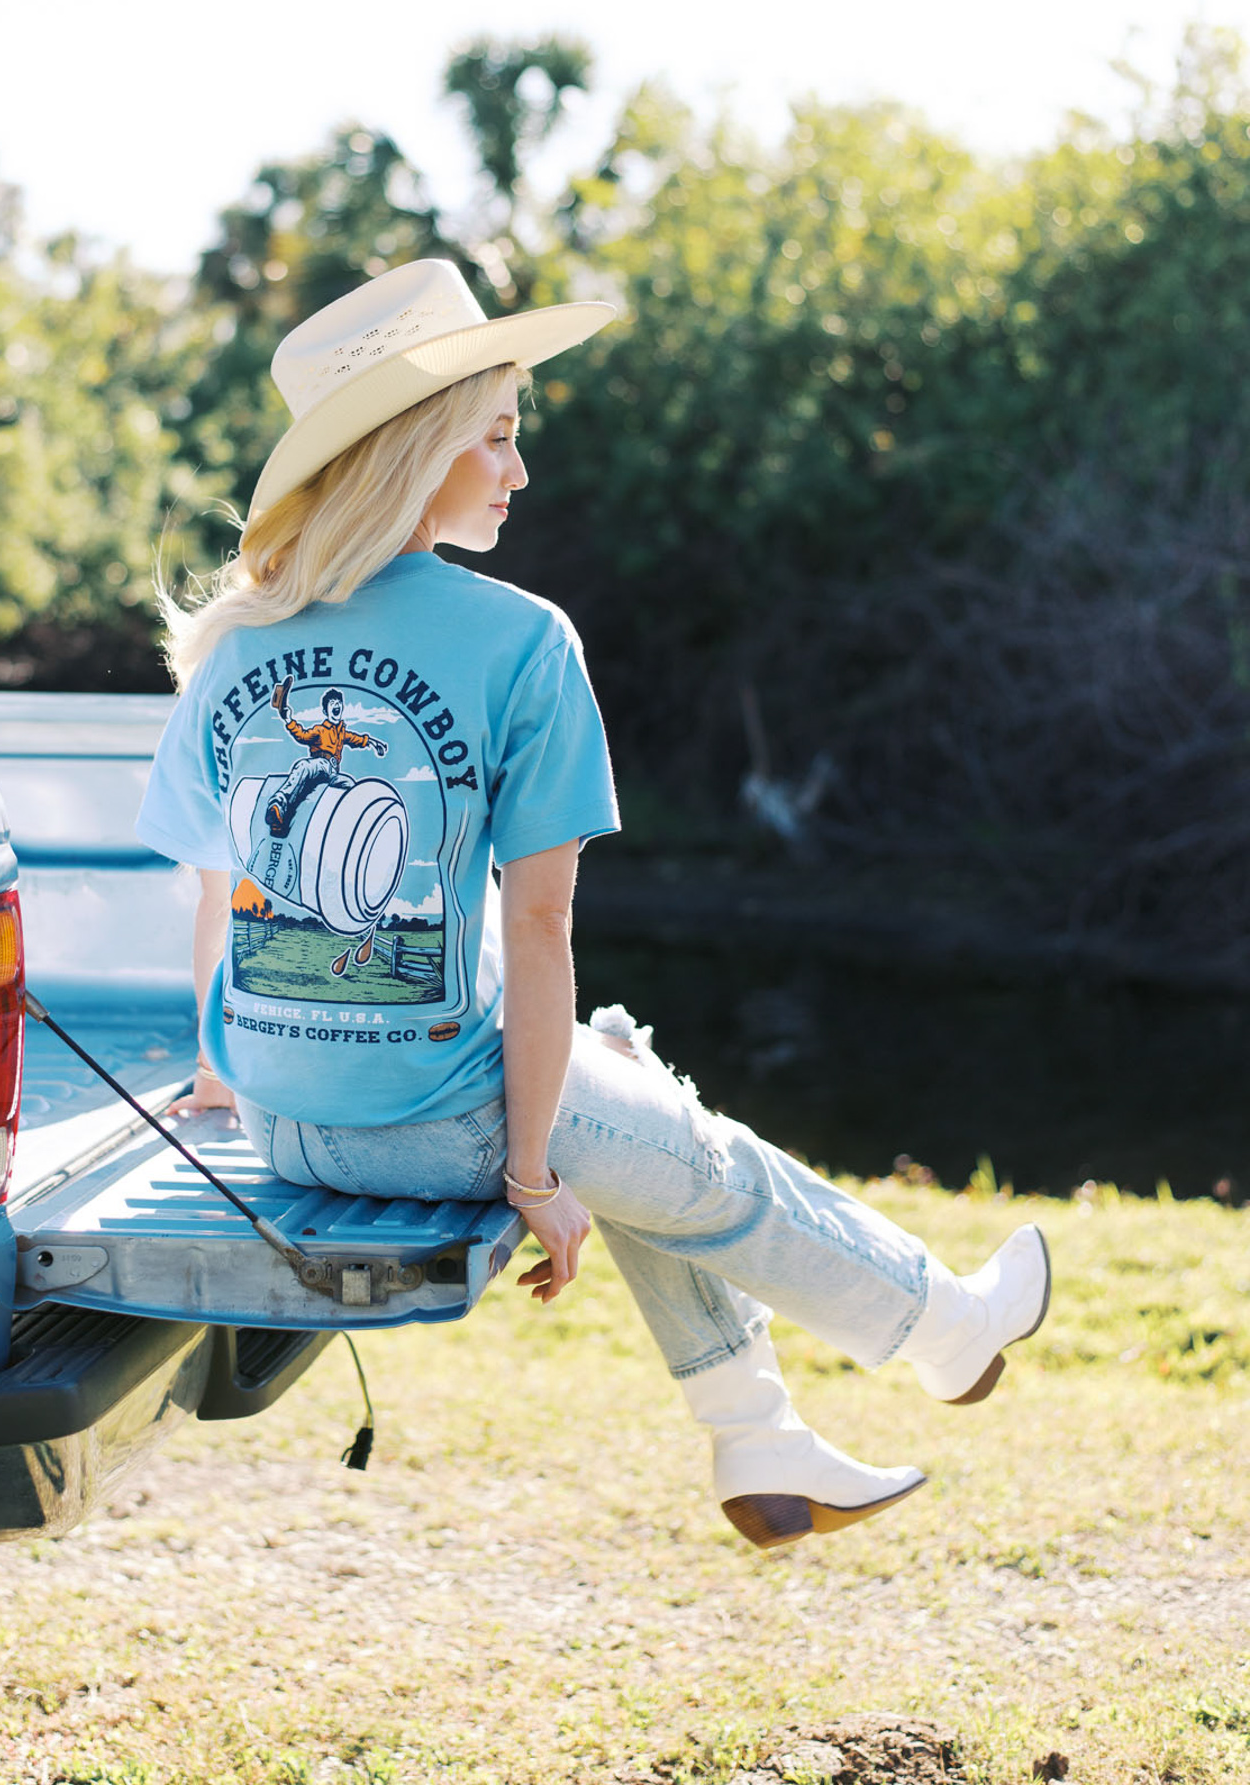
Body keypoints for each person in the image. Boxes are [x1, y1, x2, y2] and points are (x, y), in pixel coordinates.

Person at [137, 259, 1051, 1552]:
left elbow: (221, 899)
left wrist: (230, 1076)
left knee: (609, 1056)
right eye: (498, 437)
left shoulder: (237, 640)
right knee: (703, 1160)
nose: (519, 473)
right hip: (435, 1121)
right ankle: (948, 1330)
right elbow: (538, 925)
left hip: (286, 1123)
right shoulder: (521, 640)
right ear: (419, 449)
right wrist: (524, 1175)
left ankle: (760, 1441)